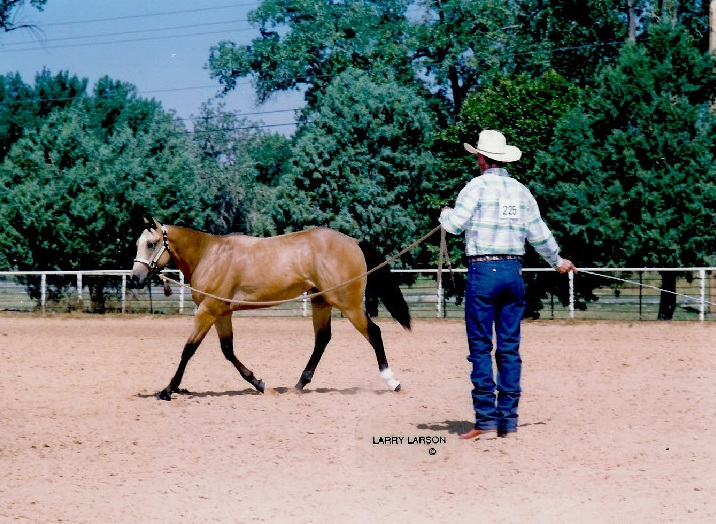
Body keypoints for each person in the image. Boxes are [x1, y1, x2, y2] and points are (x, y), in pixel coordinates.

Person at [439, 130, 577, 440]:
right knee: (509, 348)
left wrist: (444, 214)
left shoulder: (475, 187)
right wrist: (558, 261)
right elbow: (539, 234)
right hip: (513, 273)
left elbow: (455, 225)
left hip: (483, 272)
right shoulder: (521, 192)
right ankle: (508, 422)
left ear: (481, 158)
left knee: (480, 348)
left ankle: (485, 420)